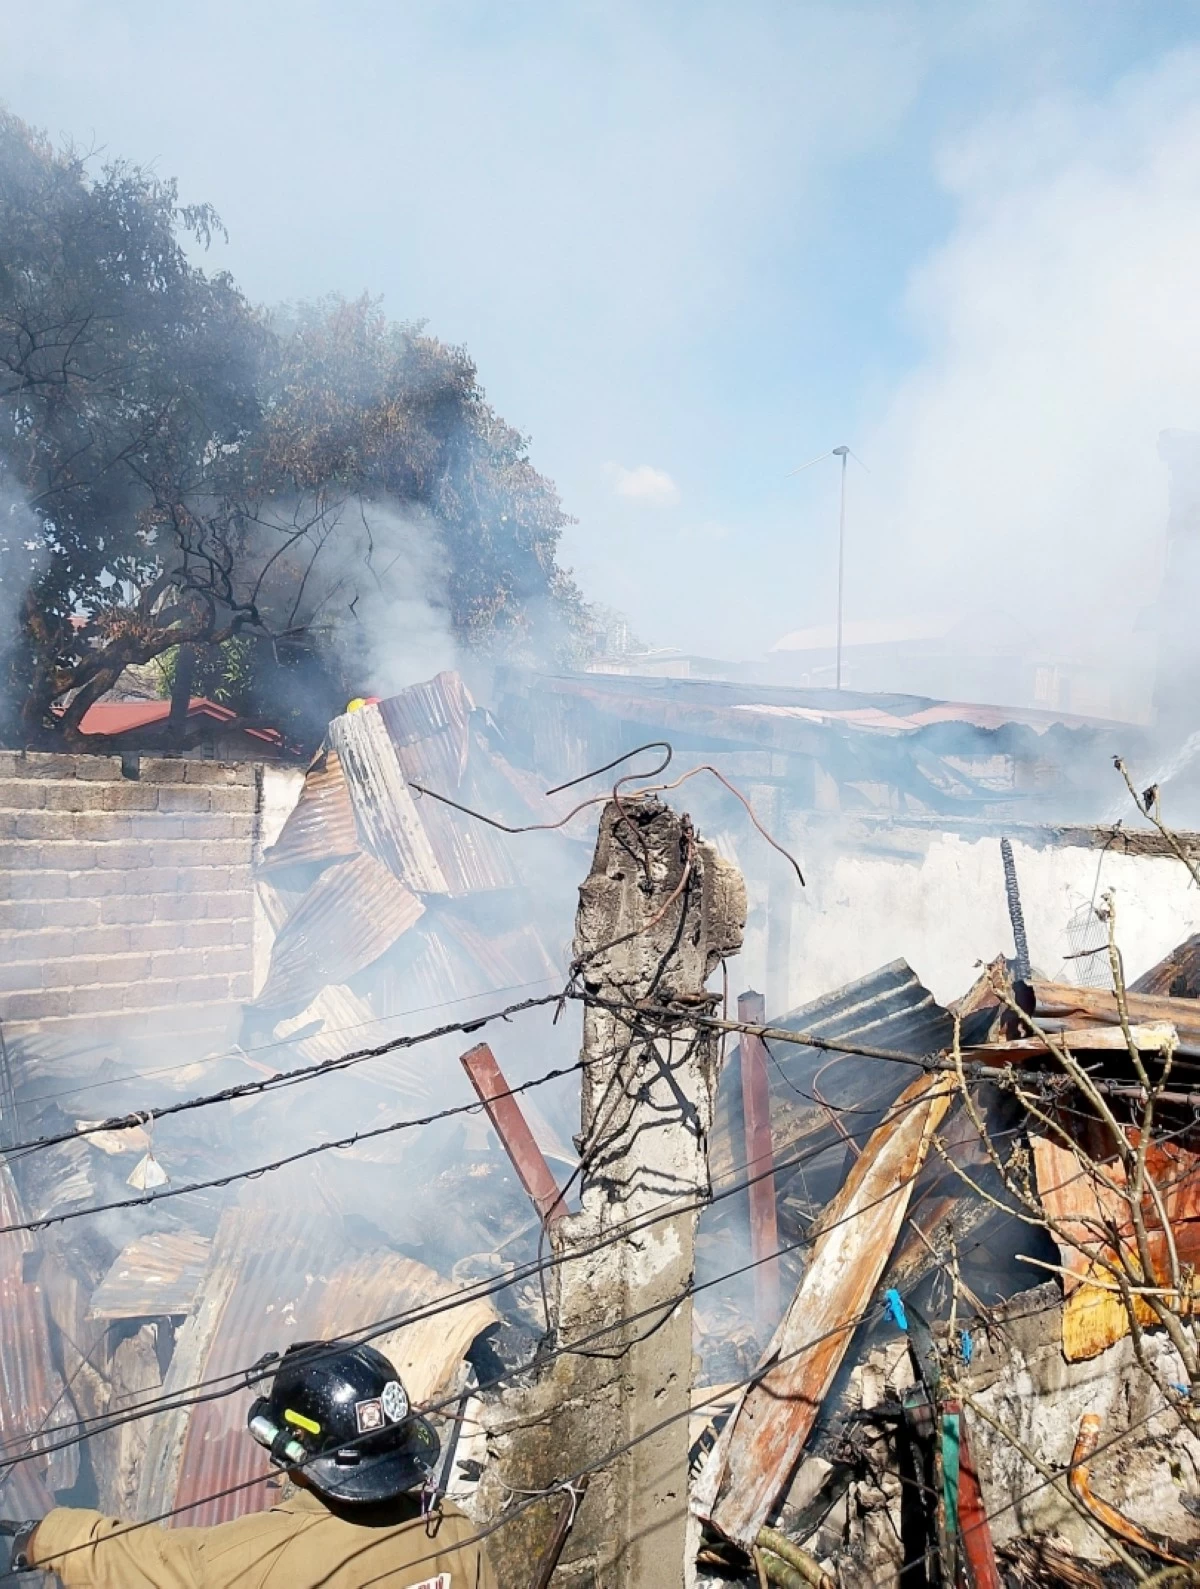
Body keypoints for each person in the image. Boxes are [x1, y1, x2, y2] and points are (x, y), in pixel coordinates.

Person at [0, 1341, 496, 1587]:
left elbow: (156, 1564)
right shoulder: (455, 1531)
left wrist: (49, 1535)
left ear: (298, 1451)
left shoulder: (264, 1558)